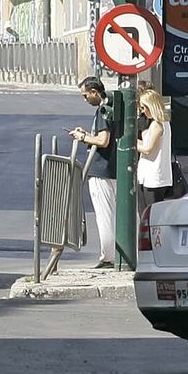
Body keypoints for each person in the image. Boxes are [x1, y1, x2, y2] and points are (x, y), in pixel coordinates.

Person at [69, 76, 122, 269]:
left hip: (101, 170)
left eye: (85, 96)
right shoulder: (114, 108)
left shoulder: (103, 110)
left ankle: (108, 256)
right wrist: (88, 134)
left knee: (104, 215)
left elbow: (103, 140)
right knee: (116, 213)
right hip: (115, 169)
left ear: (94, 91)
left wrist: (82, 137)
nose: (85, 100)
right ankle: (118, 253)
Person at [134, 87, 174, 213]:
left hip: (153, 177)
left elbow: (147, 149)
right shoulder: (160, 123)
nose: (143, 111)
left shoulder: (158, 124)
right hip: (150, 175)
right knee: (147, 214)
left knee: (148, 215)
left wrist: (130, 143)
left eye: (144, 107)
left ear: (151, 106)